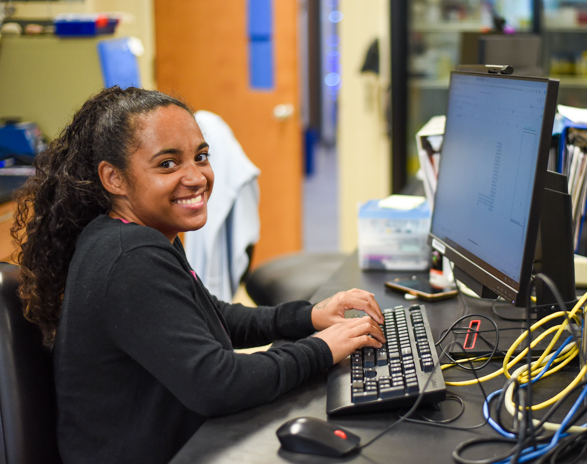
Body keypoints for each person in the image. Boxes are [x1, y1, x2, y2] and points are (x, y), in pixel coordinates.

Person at [11, 86, 385, 464]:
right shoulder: (130, 257)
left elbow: (209, 314)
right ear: (114, 178)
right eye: (168, 164)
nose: (196, 177)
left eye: (201, 157)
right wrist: (322, 348)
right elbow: (219, 384)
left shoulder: (132, 233)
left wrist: (306, 317)